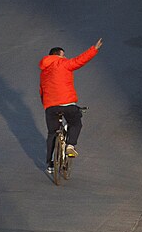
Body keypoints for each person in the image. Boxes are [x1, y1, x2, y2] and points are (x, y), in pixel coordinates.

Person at [39, 38, 103, 174]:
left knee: (52, 133)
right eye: (63, 55)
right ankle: (70, 145)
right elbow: (80, 60)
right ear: (59, 55)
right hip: (67, 104)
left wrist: (47, 105)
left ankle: (50, 164)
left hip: (50, 107)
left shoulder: (44, 71)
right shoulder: (63, 63)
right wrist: (94, 49)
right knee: (76, 123)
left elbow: (42, 91)